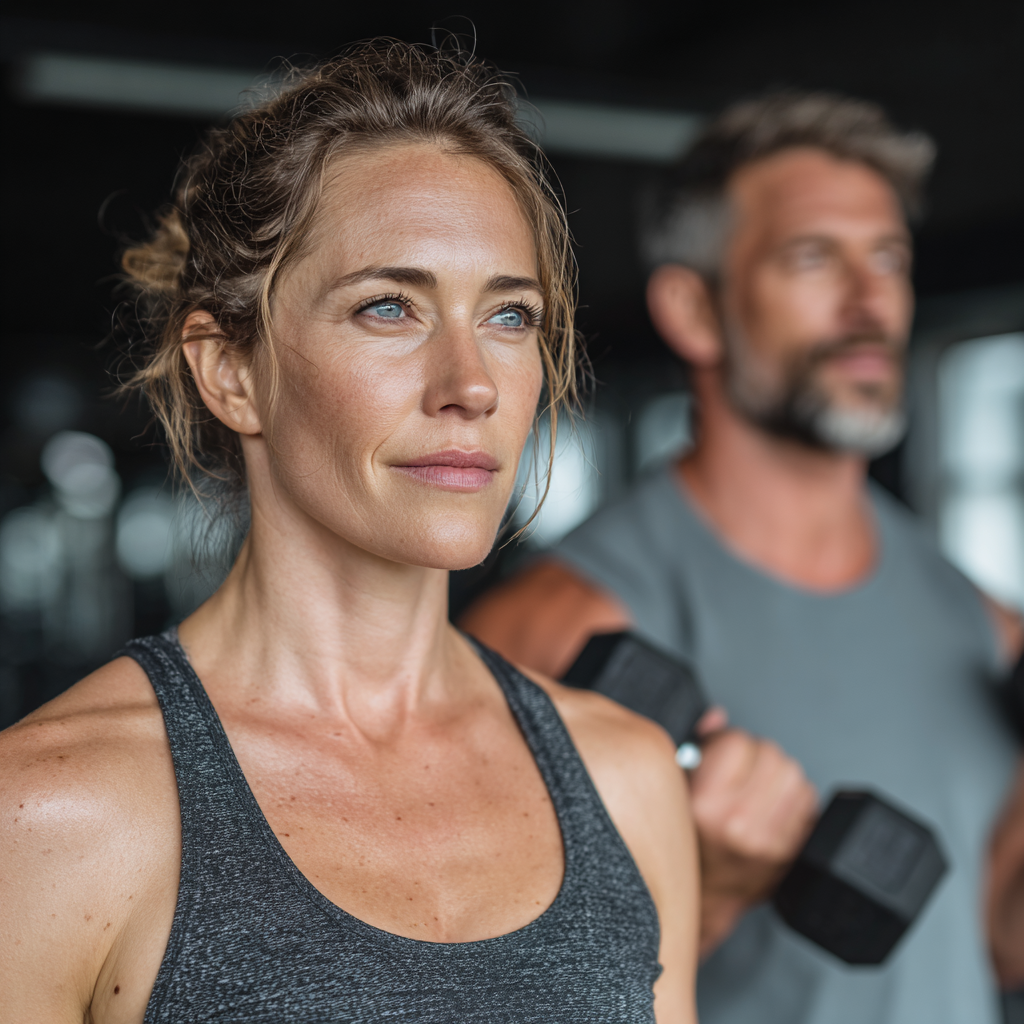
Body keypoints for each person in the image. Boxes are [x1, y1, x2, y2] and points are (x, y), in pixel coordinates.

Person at [0, 43, 701, 1023]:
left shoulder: (622, 779)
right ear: (229, 369)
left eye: (508, 315)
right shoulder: (51, 813)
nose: (471, 384)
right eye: (389, 306)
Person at [461, 92, 1024, 1023]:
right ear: (694, 308)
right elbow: (476, 1000)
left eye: (889, 258)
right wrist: (713, 894)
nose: (869, 298)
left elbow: (999, 942)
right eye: (814, 258)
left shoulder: (984, 626)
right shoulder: (542, 640)